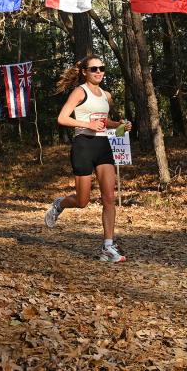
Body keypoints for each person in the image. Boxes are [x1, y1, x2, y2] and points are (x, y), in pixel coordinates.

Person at [43, 55, 132, 263]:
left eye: (101, 68)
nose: (99, 72)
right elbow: (62, 118)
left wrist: (120, 125)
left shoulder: (106, 95)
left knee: (109, 198)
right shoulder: (79, 92)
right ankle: (60, 204)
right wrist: (87, 124)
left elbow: (105, 121)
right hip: (83, 145)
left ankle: (107, 247)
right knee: (83, 201)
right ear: (85, 72)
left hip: (103, 146)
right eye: (94, 69)